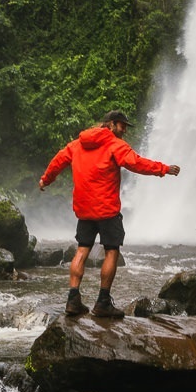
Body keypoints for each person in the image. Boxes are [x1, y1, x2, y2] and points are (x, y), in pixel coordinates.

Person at [39, 109, 181, 318]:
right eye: (122, 125)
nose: (124, 130)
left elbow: (58, 161)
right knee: (112, 251)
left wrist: (45, 179)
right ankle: (103, 302)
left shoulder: (77, 144)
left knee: (82, 249)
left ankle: (72, 300)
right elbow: (136, 163)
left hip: (84, 209)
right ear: (112, 124)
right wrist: (163, 169)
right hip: (107, 210)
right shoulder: (115, 144)